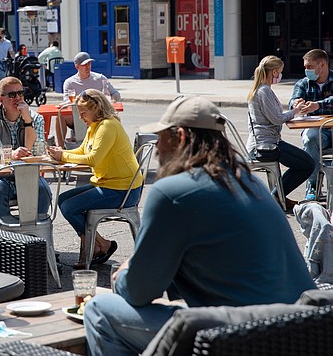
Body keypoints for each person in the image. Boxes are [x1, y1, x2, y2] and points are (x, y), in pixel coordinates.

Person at [83, 96, 317, 356]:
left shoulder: (173, 192)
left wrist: (125, 273)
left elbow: (137, 292)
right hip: (303, 331)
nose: (158, 149)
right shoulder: (252, 183)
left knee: (98, 311)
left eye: (160, 139)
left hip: (239, 336)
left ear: (180, 137)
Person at [48, 89, 142, 268]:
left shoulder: (107, 126)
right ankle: (100, 244)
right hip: (109, 183)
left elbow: (93, 159)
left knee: (69, 207)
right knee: (62, 199)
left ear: (96, 108)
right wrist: (61, 153)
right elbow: (82, 151)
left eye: (83, 113)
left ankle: (92, 246)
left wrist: (63, 157)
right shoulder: (95, 126)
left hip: (122, 189)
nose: (80, 117)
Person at [0, 77, 51, 223]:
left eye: (21, 93)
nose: (17, 98)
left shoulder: (36, 118)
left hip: (29, 175)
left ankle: (36, 232)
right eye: (12, 95)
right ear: (1, 99)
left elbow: (36, 151)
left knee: (44, 192)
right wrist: (10, 155)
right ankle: (6, 234)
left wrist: (27, 120)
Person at [247, 55, 314, 211]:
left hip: (267, 142)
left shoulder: (263, 89)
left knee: (304, 162)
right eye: (280, 72)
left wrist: (292, 112)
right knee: (308, 164)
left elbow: (273, 115)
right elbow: (277, 119)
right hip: (265, 146)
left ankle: (279, 196)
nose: (280, 76)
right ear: (274, 72)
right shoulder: (264, 91)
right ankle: (276, 196)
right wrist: (295, 112)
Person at [289, 48, 333, 200]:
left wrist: (318, 105)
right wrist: (296, 103)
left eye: (309, 67)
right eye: (305, 67)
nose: (307, 70)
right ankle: (313, 185)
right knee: (310, 138)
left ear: (322, 65)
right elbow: (292, 102)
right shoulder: (303, 84)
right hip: (317, 129)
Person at [57, 52, 120, 147]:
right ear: (77, 67)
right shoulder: (69, 82)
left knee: (114, 116)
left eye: (89, 64)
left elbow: (116, 94)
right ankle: (60, 148)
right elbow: (68, 102)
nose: (88, 67)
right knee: (59, 117)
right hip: (78, 117)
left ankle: (115, 145)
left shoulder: (99, 78)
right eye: (84, 65)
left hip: (98, 115)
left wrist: (109, 99)